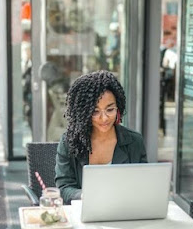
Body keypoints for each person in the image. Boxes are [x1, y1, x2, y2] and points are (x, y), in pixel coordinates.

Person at [54, 70, 148, 204]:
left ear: (118, 108)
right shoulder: (69, 142)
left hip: (125, 212)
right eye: (95, 112)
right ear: (84, 113)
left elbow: (143, 186)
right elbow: (64, 188)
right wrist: (85, 195)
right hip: (84, 213)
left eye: (110, 110)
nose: (104, 118)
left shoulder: (134, 142)